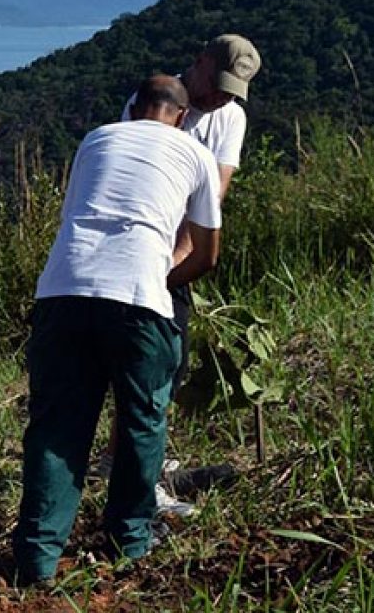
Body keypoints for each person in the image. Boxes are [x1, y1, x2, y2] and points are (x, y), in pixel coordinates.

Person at [11, 74, 222, 585]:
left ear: (134, 108)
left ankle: (36, 560)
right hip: (137, 301)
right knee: (140, 423)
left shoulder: (97, 139)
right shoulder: (195, 154)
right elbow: (208, 253)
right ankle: (129, 544)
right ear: (183, 116)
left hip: (63, 290)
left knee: (57, 428)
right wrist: (162, 278)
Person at [102, 33, 261, 515]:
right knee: (134, 363)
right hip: (131, 249)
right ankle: (133, 476)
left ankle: (135, 461)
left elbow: (212, 198)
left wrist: (170, 271)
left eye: (234, 91)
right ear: (200, 65)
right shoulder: (156, 102)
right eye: (219, 85)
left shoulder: (230, 116)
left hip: (175, 256)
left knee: (166, 363)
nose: (223, 98)